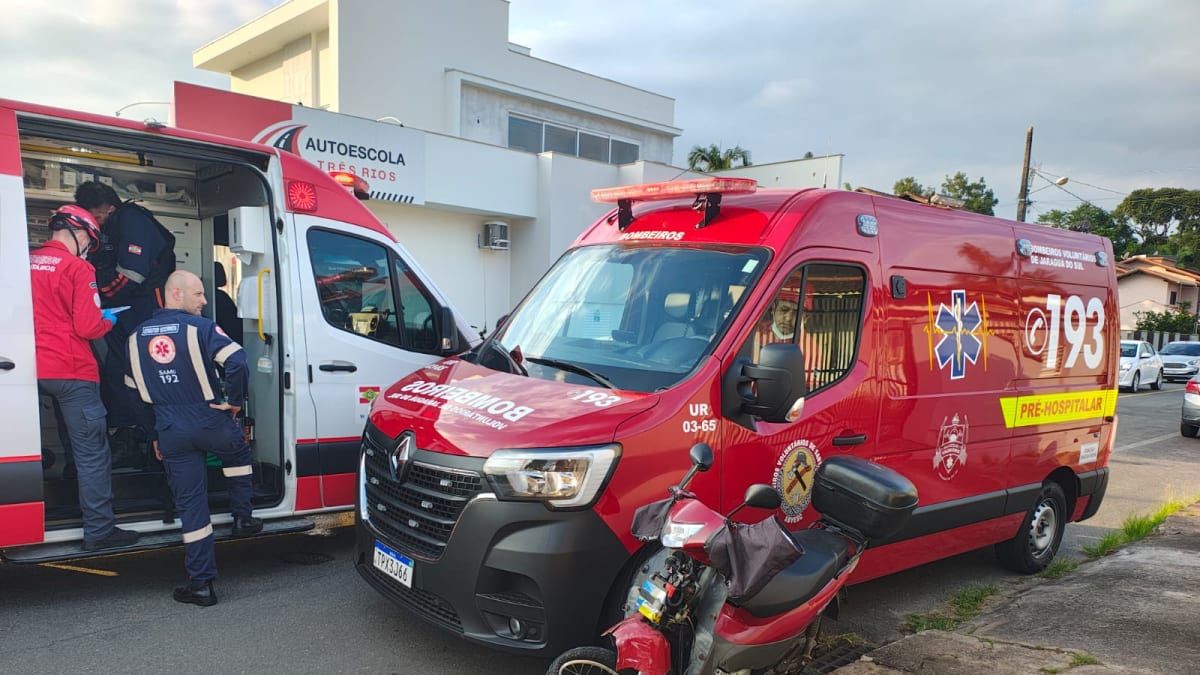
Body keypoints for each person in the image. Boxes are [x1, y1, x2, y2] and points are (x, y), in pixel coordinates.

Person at [125, 270, 262, 607]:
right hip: (210, 419)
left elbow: (132, 394)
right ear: (176, 294)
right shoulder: (201, 328)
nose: (204, 301)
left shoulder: (135, 337)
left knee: (192, 507)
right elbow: (238, 360)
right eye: (198, 294)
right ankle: (243, 517)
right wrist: (233, 401)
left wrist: (153, 433)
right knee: (238, 454)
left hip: (171, 429)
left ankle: (201, 585)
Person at [30, 204, 140, 552]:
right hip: (72, 370)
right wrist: (109, 319)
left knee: (46, 447)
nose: (89, 250)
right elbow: (88, 326)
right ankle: (100, 531)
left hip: (30, 370)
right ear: (80, 234)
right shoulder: (79, 268)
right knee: (92, 453)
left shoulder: (24, 262)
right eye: (90, 243)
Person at [75, 181, 176, 469]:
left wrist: (93, 292)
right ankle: (128, 435)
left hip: (145, 310)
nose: (93, 223)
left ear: (110, 208)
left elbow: (130, 275)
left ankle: (146, 440)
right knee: (118, 370)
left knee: (142, 373)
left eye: (96, 216)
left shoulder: (133, 220)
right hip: (122, 311)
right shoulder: (106, 228)